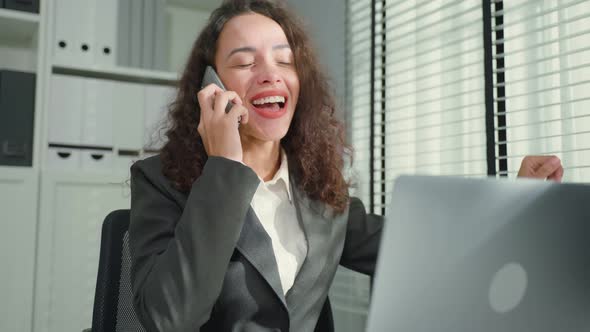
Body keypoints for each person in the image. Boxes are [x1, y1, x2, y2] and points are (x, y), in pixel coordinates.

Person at [128, 1, 564, 331]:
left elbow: (428, 249)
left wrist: (516, 196)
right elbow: (170, 319)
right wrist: (225, 167)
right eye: (244, 62)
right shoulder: (162, 183)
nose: (269, 74)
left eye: (285, 60)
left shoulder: (318, 193)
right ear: (212, 87)